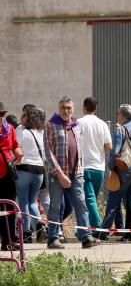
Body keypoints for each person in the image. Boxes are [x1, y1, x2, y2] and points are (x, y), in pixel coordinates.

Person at [44, 96, 98, 249]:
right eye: (63, 108)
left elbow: (79, 149)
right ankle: (53, 238)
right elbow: (48, 152)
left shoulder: (77, 125)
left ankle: (86, 237)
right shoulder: (51, 125)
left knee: (81, 205)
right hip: (57, 175)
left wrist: (80, 171)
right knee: (56, 206)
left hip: (76, 174)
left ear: (73, 109)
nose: (66, 110)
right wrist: (60, 174)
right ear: (59, 108)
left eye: (69, 108)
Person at [99, 104, 131, 240]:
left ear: (122, 115)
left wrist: (112, 167)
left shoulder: (120, 130)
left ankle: (103, 232)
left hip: (123, 171)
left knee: (113, 201)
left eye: (118, 113)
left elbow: (114, 152)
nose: (117, 116)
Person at [76, 96, 112, 229]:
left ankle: (97, 227)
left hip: (84, 166)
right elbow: (109, 147)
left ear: (84, 108)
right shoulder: (102, 124)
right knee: (92, 200)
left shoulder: (78, 123)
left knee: (88, 200)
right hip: (99, 167)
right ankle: (88, 228)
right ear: (96, 109)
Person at [15, 105, 45, 243]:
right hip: (39, 171)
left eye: (24, 115)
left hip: (24, 169)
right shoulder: (40, 132)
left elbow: (15, 148)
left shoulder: (21, 130)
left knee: (23, 202)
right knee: (32, 201)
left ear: (29, 118)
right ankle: (39, 225)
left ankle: (26, 232)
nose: (21, 117)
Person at [0, 110, 23, 250]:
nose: (0, 117)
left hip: (7, 173)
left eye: (1, 114)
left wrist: (19, 152)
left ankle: (9, 241)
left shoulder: (10, 129)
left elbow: (15, 145)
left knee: (9, 208)